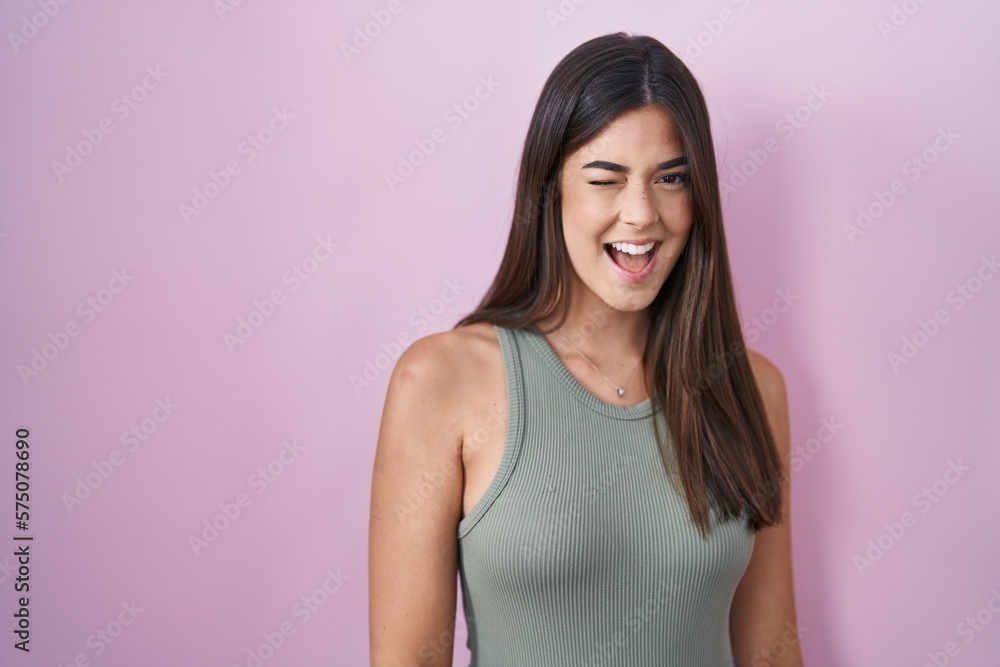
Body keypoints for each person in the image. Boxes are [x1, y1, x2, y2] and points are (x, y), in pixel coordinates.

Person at [369, 31, 804, 666]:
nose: (640, 214)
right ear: (552, 191)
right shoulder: (440, 381)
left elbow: (773, 654)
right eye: (606, 178)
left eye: (671, 178)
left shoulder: (752, 390)